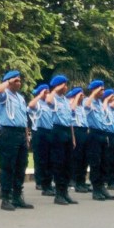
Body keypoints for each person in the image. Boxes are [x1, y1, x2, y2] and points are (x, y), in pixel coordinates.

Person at [0, 71, 33, 211]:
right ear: (9, 82)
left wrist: (26, 136)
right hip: (8, 132)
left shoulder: (21, 98)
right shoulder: (4, 96)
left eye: (19, 80)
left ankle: (17, 196)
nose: (19, 82)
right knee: (7, 166)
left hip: (20, 134)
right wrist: (8, 82)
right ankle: (5, 198)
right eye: (16, 81)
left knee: (21, 166)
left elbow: (24, 119)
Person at [45, 75, 77, 206]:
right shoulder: (54, 99)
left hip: (67, 132)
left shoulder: (65, 101)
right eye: (64, 85)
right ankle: (59, 194)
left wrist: (73, 137)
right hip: (57, 131)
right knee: (59, 163)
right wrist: (54, 89)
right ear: (58, 86)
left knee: (68, 164)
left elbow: (70, 121)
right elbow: (47, 101)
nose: (66, 87)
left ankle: (65, 193)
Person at [83, 80, 114, 202]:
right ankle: (96, 189)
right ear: (95, 89)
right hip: (93, 134)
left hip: (102, 134)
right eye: (101, 89)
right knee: (95, 163)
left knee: (104, 162)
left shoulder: (100, 104)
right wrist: (93, 94)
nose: (103, 92)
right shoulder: (88, 101)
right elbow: (86, 106)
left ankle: (102, 187)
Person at [28, 84, 54, 196]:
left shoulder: (50, 104)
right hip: (39, 132)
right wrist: (39, 96)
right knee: (40, 159)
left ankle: (48, 183)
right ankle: (41, 182)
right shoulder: (37, 103)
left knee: (49, 159)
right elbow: (30, 106)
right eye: (45, 92)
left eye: (48, 92)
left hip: (49, 132)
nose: (47, 94)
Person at [68, 87, 90, 194]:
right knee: (76, 157)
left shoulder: (82, 107)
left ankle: (82, 181)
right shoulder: (71, 103)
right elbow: (71, 110)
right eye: (81, 95)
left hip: (84, 131)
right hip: (75, 130)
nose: (83, 97)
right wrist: (76, 97)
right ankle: (74, 180)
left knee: (84, 158)